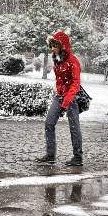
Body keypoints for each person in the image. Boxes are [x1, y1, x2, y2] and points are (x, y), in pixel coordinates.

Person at [36, 30, 83, 166]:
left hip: (72, 98)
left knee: (74, 127)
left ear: (62, 46)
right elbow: (60, 81)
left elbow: (75, 83)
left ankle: (78, 158)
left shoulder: (72, 60)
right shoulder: (57, 59)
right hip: (60, 96)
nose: (52, 49)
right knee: (49, 123)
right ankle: (50, 155)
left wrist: (67, 100)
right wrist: (60, 94)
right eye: (50, 46)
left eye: (54, 46)